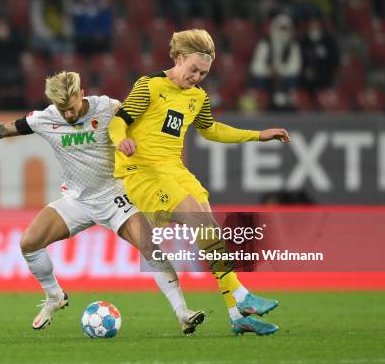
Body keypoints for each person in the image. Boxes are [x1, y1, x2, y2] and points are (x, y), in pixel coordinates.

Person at [0, 71, 206, 335]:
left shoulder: (108, 108)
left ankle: (182, 312)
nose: (67, 115)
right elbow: (2, 129)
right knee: (29, 243)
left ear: (81, 94)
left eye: (71, 108)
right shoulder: (45, 118)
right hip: (77, 199)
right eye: (61, 109)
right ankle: (55, 295)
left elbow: (142, 124)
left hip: (116, 197)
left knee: (151, 247)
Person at [108, 29, 291, 335]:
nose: (197, 77)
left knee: (209, 229)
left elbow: (211, 130)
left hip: (174, 170)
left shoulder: (197, 97)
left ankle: (237, 314)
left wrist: (258, 135)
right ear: (179, 59)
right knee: (201, 223)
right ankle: (243, 295)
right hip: (143, 172)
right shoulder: (150, 86)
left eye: (204, 73)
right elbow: (119, 120)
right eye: (193, 69)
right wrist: (120, 140)